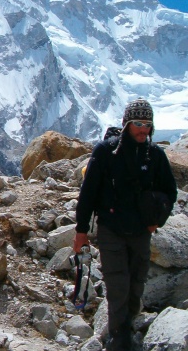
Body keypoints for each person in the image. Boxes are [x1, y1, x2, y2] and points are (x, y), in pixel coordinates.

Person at [74, 98, 177, 351]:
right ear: (127, 123)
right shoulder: (106, 152)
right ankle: (119, 339)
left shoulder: (155, 155)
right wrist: (81, 231)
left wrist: (156, 222)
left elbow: (170, 191)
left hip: (142, 231)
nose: (144, 129)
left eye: (148, 124)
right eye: (138, 123)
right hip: (111, 230)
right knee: (118, 285)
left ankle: (128, 326)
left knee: (137, 283)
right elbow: (88, 194)